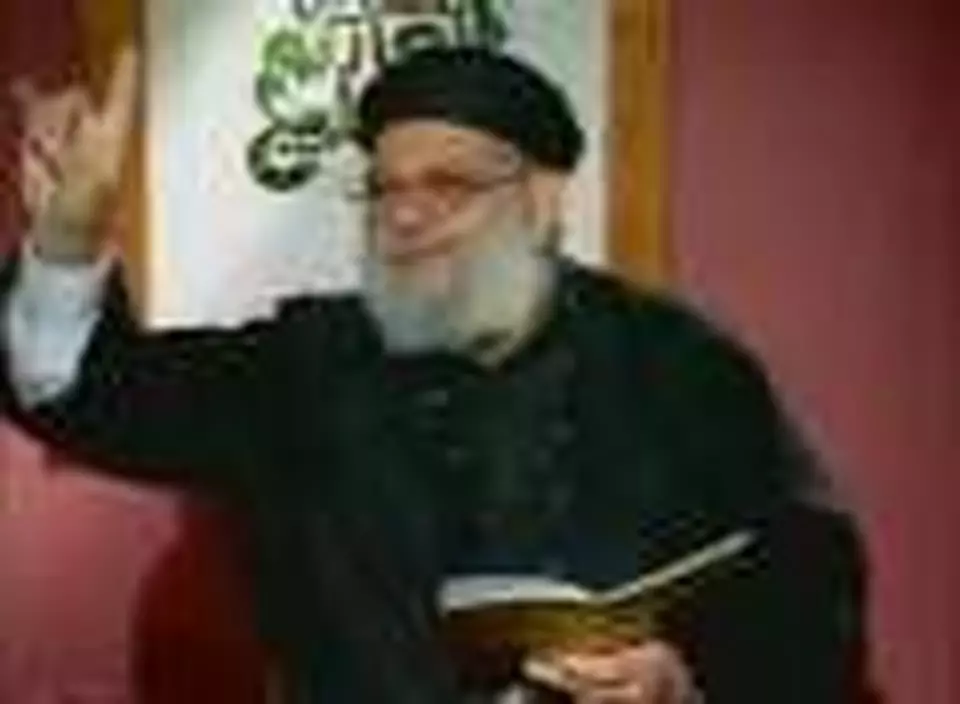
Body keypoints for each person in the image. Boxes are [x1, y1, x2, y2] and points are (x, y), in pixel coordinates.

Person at [1, 45, 876, 703]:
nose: (406, 216)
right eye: (383, 190)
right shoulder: (304, 366)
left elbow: (808, 593)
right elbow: (86, 393)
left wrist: (687, 679)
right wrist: (68, 239)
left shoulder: (685, 366)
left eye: (447, 185)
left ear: (542, 199)